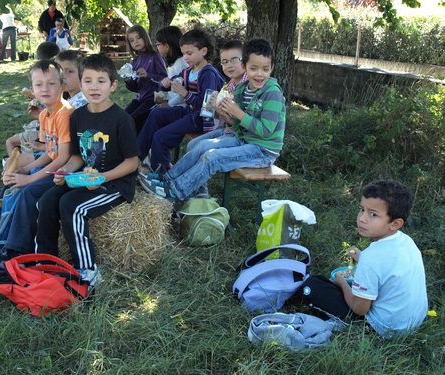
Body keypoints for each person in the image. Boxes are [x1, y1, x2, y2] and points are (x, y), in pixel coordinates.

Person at [35, 53, 140, 285]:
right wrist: (64, 171)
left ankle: (88, 270)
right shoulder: (78, 116)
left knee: (71, 206)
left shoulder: (121, 119)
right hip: (85, 177)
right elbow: (75, 157)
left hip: (115, 183)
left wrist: (103, 177)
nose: (94, 87)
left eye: (101, 81)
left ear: (113, 85)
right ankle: (46, 260)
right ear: (80, 84)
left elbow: (133, 163)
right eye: (88, 81)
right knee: (47, 200)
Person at [138, 39, 285, 200]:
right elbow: (238, 127)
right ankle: (167, 179)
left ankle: (176, 191)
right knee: (202, 146)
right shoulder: (242, 89)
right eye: (254, 68)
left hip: (262, 151)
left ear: (272, 68)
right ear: (245, 68)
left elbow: (265, 131)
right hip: (244, 140)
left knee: (212, 157)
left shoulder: (272, 93)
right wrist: (225, 114)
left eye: (265, 69)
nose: (259, 74)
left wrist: (238, 113)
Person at [302, 180, 428, 338]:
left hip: (385, 329)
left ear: (395, 223)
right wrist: (362, 258)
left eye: (373, 214)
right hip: (412, 323)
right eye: (362, 210)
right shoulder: (406, 241)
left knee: (313, 284)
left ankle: (359, 328)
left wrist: (341, 282)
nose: (362, 218)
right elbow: (388, 267)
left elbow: (360, 308)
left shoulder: (372, 257)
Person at [3, 60, 73, 256]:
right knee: (13, 181)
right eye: (39, 84)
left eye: (51, 83)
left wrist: (31, 178)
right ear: (32, 90)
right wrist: (24, 170)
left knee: (30, 192)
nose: (45, 89)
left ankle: (17, 251)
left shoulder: (64, 114)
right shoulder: (44, 115)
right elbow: (50, 152)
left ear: (62, 87)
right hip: (55, 167)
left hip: (68, 172)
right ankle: (1, 231)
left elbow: (64, 157)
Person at [136, 28, 225, 175]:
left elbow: (208, 109)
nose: (185, 57)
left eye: (189, 53)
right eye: (183, 53)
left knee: (160, 136)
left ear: (203, 51)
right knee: (156, 113)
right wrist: (164, 83)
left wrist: (185, 94)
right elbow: (170, 82)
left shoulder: (208, 74)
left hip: (202, 120)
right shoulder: (189, 70)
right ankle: (136, 158)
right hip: (189, 113)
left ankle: (161, 174)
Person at [5, 49, 88, 169]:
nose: (63, 75)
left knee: (12, 160)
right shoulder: (68, 97)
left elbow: (63, 149)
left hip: (66, 160)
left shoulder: (78, 103)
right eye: (60, 70)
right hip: (54, 151)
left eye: (69, 71)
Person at [186, 40, 248, 153]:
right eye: (224, 61)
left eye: (234, 60)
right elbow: (223, 118)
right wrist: (214, 108)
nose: (229, 65)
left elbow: (245, 120)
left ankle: (174, 171)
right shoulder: (230, 85)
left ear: (245, 61)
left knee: (201, 148)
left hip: (241, 137)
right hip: (227, 130)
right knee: (191, 145)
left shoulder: (250, 85)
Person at [122, 24, 168, 134]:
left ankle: (139, 147)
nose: (136, 42)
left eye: (138, 38)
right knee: (123, 118)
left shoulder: (155, 56)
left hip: (153, 99)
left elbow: (164, 79)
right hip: (139, 99)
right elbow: (136, 88)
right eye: (132, 40)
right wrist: (128, 81)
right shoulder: (134, 61)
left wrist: (148, 75)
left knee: (133, 120)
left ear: (145, 37)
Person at [153, 26, 189, 109]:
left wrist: (169, 104)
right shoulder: (176, 63)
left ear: (167, 46)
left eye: (158, 44)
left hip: (180, 108)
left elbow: (182, 93)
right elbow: (174, 92)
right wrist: (165, 99)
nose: (156, 46)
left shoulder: (181, 64)